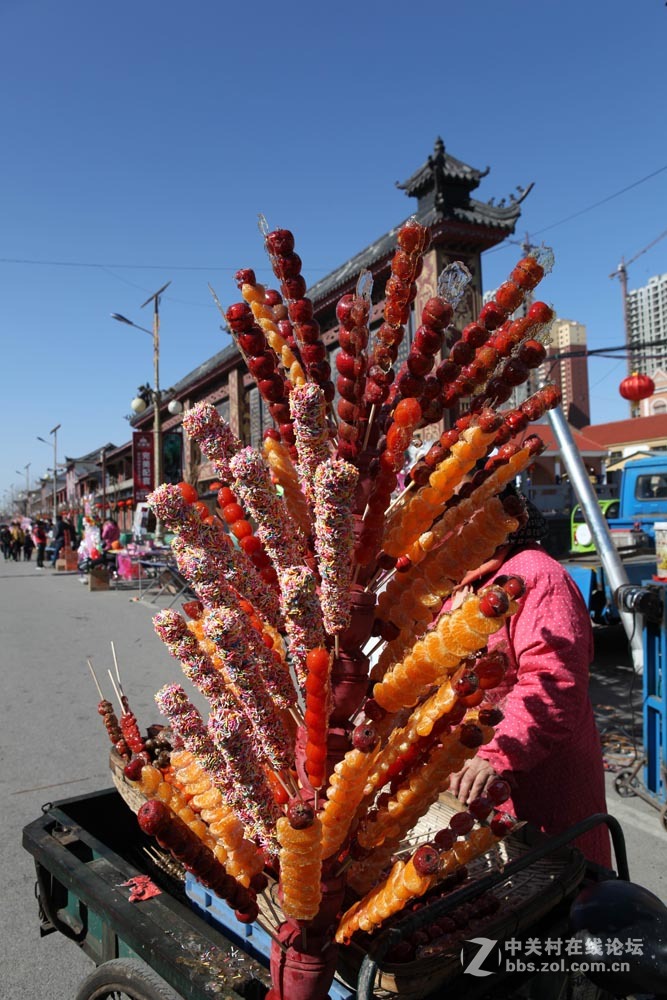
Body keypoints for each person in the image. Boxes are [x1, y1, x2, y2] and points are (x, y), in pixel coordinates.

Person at [447, 485, 612, 869]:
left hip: (542, 795)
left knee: (566, 909)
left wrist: (496, 754)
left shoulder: (538, 577)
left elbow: (552, 681)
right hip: (477, 797)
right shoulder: (467, 580)